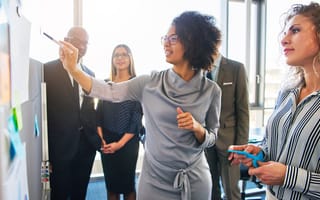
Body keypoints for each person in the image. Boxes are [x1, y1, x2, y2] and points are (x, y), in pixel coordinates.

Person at [60, 11, 222, 200]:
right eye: (165, 38)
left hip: (194, 181)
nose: (166, 43)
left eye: (173, 38)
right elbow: (106, 90)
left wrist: (198, 129)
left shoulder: (212, 91)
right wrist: (74, 69)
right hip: (154, 181)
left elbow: (212, 137)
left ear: (192, 42)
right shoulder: (149, 83)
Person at [228, 2, 320, 200]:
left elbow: (288, 172)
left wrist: (288, 176)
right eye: (284, 33)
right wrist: (259, 152)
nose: (284, 40)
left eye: (295, 30)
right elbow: (272, 144)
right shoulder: (287, 93)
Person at [44, 27, 101, 200]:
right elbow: (45, 112)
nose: (81, 46)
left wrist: (96, 139)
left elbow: (90, 109)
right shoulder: (47, 70)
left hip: (86, 146)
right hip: (60, 148)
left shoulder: (90, 74)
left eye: (85, 43)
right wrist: (47, 153)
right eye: (77, 41)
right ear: (65, 40)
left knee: (80, 193)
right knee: (59, 193)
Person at [205, 26, 249, 200]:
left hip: (230, 142)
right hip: (205, 140)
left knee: (231, 191)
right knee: (210, 189)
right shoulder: (197, 70)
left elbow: (243, 111)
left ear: (219, 42)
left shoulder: (236, 68)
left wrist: (241, 147)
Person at [97, 44, 143, 200]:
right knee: (111, 187)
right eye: (116, 55)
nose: (120, 58)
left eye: (124, 54)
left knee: (128, 187)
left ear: (130, 58)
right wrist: (101, 139)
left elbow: (136, 118)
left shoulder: (136, 84)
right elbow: (99, 114)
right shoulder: (105, 84)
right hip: (107, 142)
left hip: (128, 142)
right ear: (112, 59)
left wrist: (120, 144)